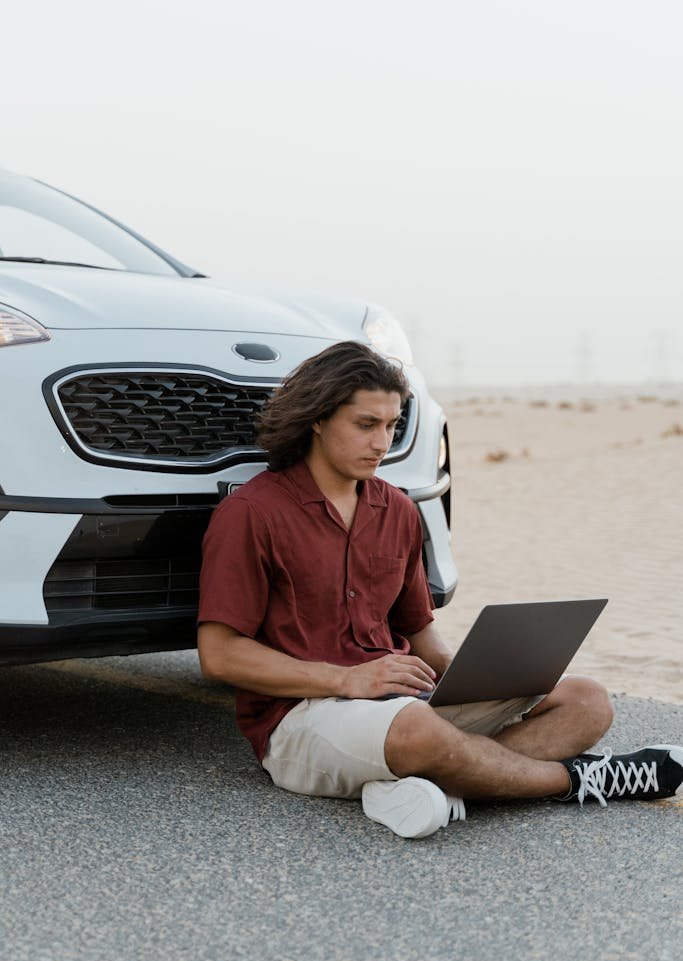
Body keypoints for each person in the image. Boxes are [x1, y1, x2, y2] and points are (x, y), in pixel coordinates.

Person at [197, 342, 683, 838]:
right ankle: (579, 779)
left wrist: (483, 681)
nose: (381, 442)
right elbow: (219, 655)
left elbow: (419, 633)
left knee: (586, 701)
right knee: (419, 730)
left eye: (391, 425)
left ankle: (430, 784)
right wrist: (347, 680)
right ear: (317, 420)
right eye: (366, 425)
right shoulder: (253, 514)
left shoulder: (399, 511)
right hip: (304, 717)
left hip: (405, 705)